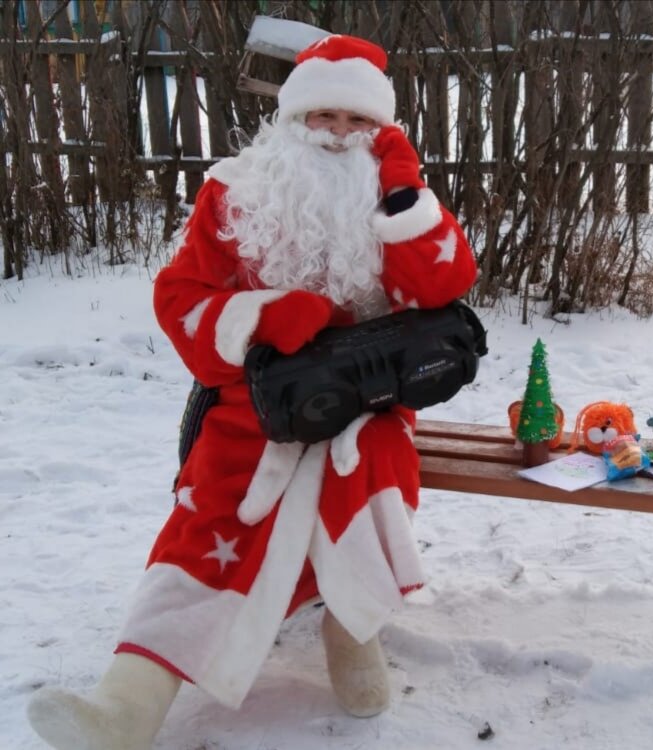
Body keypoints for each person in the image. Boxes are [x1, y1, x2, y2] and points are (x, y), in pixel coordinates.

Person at [27, 33, 477, 750]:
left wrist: (403, 194)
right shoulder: (235, 191)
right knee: (212, 516)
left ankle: (348, 631)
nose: (337, 137)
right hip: (255, 397)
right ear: (292, 120)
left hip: (368, 400)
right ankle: (127, 704)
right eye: (322, 118)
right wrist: (263, 315)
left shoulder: (393, 194)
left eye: (357, 121)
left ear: (380, 128)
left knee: (370, 484)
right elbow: (180, 296)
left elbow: (444, 286)